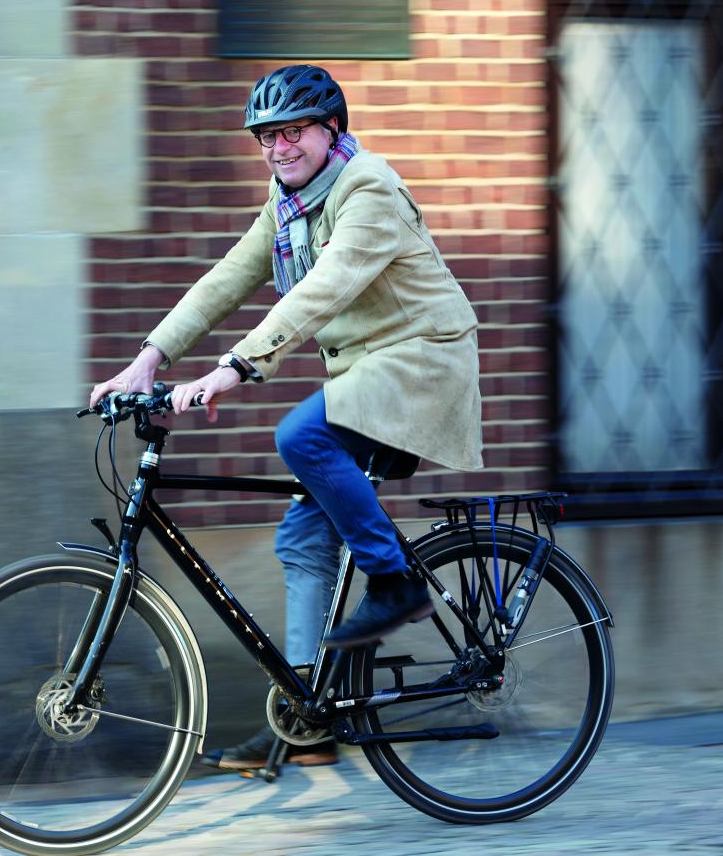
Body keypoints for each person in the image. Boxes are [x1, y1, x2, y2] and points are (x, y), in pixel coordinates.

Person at [88, 64, 483, 771]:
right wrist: (149, 358)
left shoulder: (370, 190)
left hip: (423, 363)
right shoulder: (287, 204)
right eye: (267, 137)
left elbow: (321, 293)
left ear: (331, 131)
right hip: (371, 375)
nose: (278, 148)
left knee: (300, 433)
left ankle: (397, 583)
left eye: (293, 132)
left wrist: (234, 367)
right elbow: (226, 280)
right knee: (303, 538)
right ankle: (308, 718)